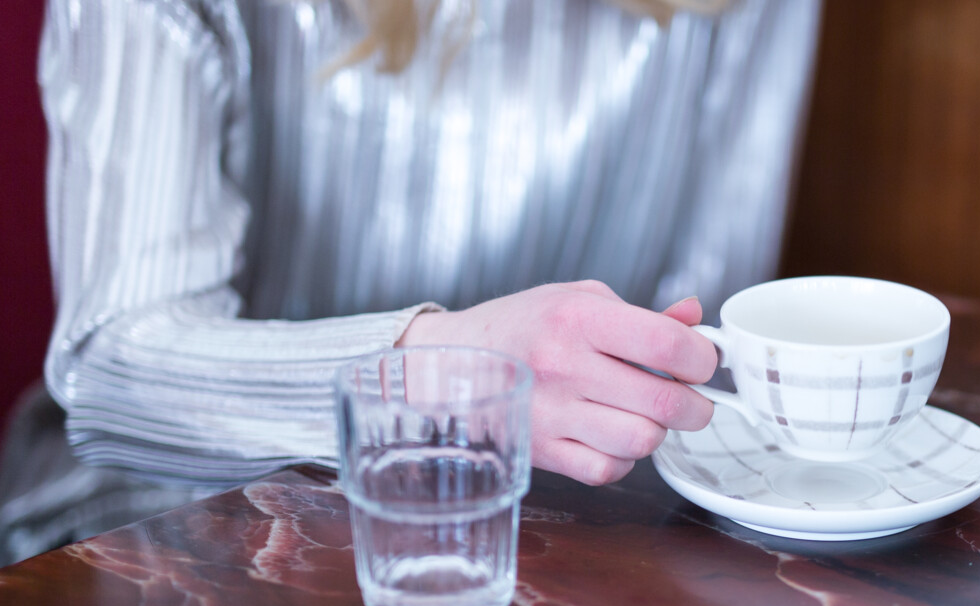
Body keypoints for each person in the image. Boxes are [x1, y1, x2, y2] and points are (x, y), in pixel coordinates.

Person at [0, 0, 822, 564]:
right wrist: (439, 374)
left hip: (560, 537)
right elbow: (115, 364)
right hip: (168, 522)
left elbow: (700, 350)